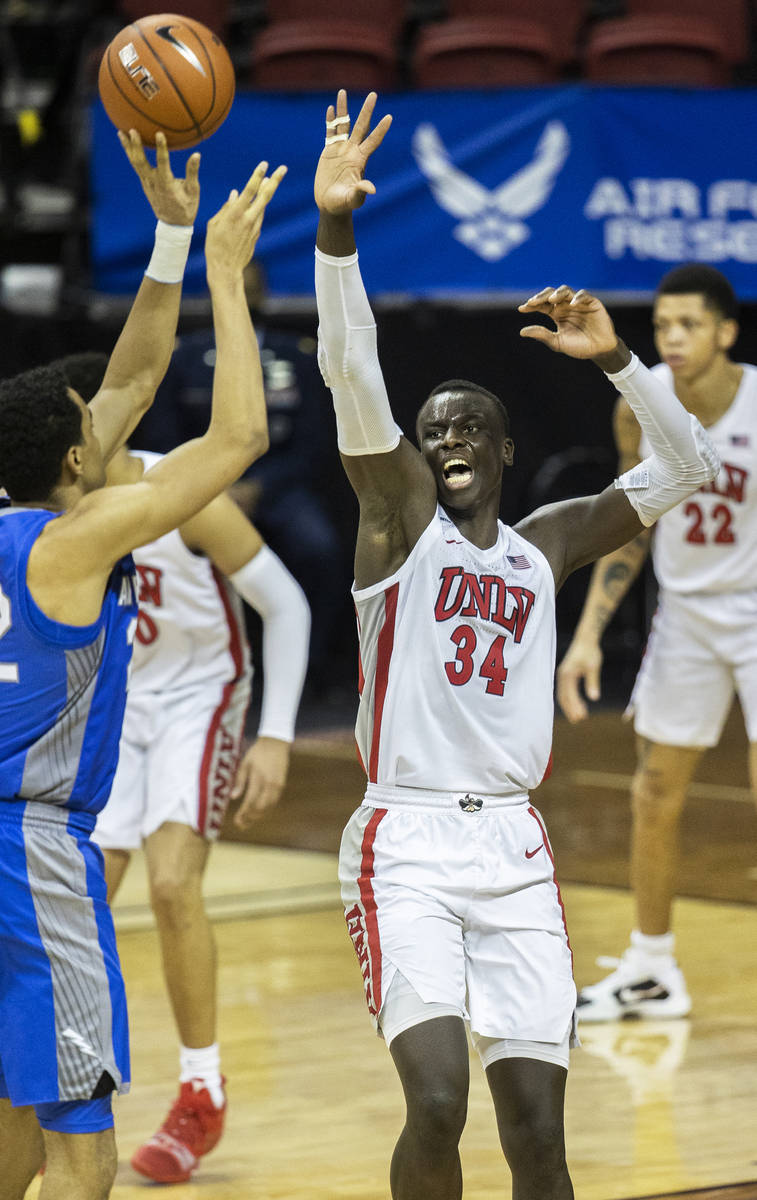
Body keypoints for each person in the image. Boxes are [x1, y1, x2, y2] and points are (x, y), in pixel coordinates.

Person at [313, 90, 720, 1200]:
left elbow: (686, 470)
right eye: (429, 427)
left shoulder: (543, 547)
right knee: (438, 1099)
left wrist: (620, 363)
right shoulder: (398, 531)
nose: (441, 437)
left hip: (515, 854)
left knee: (538, 1128)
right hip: (404, 841)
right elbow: (352, 376)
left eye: (462, 426)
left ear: (499, 446)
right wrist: (337, 232)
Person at [0, 127, 285, 1200]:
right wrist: (223, 275)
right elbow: (239, 437)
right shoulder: (77, 541)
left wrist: (166, 237)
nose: (110, 413)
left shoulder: (24, 507)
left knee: (12, 1125)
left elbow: (129, 373)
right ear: (80, 463)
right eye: (95, 427)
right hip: (32, 853)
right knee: (84, 1150)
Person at [90, 435, 310, 1185]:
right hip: (116, 701)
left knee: (173, 883)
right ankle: (57, 1083)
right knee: (80, 900)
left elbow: (286, 606)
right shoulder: (45, 503)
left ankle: (201, 1090)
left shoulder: (184, 498)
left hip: (202, 693)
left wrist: (274, 736)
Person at [556, 264, 757, 1022]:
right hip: (687, 613)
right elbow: (626, 524)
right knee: (652, 790)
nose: (671, 338)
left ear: (724, 332)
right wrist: (586, 637)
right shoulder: (641, 410)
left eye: (688, 325)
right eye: (662, 325)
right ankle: (649, 967)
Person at [134, 257, 349, 697]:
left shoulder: (298, 356)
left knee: (321, 549)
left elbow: (313, 442)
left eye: (249, 287)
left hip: (277, 488)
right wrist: (215, 486)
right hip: (202, 490)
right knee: (162, 556)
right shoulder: (184, 356)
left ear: (261, 295)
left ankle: (306, 669)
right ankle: (191, 664)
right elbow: (163, 438)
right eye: (233, 285)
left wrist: (259, 487)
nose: (241, 295)